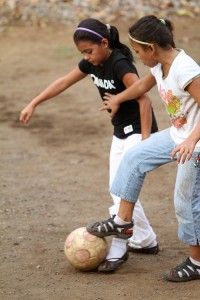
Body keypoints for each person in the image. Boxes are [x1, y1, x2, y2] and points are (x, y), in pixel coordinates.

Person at [19, 18, 159, 272]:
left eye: (89, 51)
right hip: (120, 132)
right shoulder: (93, 62)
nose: (87, 57)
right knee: (116, 189)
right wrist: (34, 102)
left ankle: (119, 249)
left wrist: (146, 141)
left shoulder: (119, 63)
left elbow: (145, 100)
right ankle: (146, 240)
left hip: (139, 132)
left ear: (104, 43)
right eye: (82, 53)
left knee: (122, 191)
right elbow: (63, 81)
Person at [86, 15, 200, 281]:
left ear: (151, 47)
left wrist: (192, 139)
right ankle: (123, 222)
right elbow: (141, 86)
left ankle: (197, 262)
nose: (137, 57)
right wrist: (117, 99)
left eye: (137, 51)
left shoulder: (186, 69)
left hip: (195, 143)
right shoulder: (161, 65)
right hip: (179, 135)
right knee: (135, 155)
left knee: (185, 201)